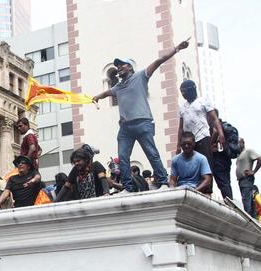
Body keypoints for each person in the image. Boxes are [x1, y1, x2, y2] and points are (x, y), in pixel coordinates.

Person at [92, 39, 190, 192]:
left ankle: (163, 182)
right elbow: (106, 93)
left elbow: (159, 60)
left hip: (143, 123)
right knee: (123, 158)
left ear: (130, 67)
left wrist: (177, 48)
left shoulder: (141, 76)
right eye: (116, 67)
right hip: (125, 127)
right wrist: (96, 97)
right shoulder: (118, 87)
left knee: (151, 153)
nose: (118, 68)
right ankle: (128, 187)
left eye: (121, 65)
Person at [176, 79, 225, 194]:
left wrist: (221, 133)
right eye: (181, 92)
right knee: (191, 165)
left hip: (202, 136)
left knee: (206, 164)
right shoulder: (182, 107)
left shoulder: (204, 101)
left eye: (185, 91)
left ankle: (207, 191)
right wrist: (178, 145)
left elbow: (214, 119)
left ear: (192, 89)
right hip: (188, 140)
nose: (183, 94)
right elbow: (180, 127)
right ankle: (194, 188)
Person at [236, 138, 261, 217]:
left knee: (246, 198)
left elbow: (260, 158)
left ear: (243, 143)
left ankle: (247, 216)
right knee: (248, 199)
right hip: (241, 180)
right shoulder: (239, 154)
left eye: (238, 143)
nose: (237, 145)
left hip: (246, 179)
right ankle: (252, 216)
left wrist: (253, 171)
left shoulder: (248, 151)